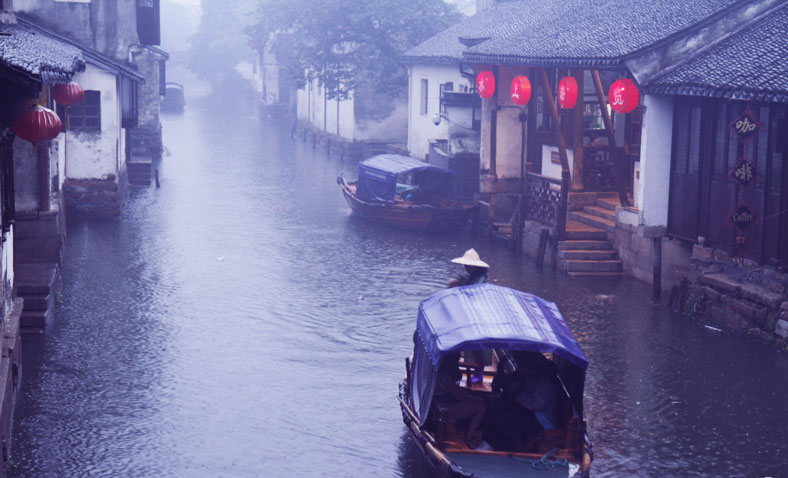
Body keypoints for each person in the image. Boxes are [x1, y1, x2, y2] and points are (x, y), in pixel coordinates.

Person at [447, 249, 490, 383]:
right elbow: (460, 282)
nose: (467, 267)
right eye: (466, 265)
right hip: (466, 312)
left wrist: (460, 287)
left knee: (478, 344)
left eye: (469, 265)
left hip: (478, 313)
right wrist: (456, 284)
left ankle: (480, 370)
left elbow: (474, 292)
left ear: (475, 266)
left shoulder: (482, 278)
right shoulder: (468, 276)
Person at [434, 353, 488, 449]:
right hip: (443, 407)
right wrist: (478, 398)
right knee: (481, 405)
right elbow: (460, 397)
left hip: (439, 403)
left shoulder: (436, 371)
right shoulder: (444, 376)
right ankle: (469, 437)